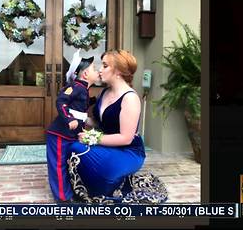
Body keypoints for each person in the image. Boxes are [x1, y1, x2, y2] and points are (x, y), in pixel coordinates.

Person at [68, 49, 167, 203]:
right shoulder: (105, 93)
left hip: (128, 151)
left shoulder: (130, 98)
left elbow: (125, 138)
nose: (100, 70)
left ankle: (112, 183)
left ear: (119, 71)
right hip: (107, 145)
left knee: (80, 150)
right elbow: (99, 124)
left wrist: (91, 138)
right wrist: (79, 117)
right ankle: (102, 183)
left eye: (105, 66)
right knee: (73, 147)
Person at [46, 50, 100, 202]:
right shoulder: (75, 87)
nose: (98, 71)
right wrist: (69, 119)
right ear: (84, 75)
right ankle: (63, 198)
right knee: (58, 165)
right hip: (59, 134)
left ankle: (72, 189)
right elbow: (61, 101)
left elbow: (80, 105)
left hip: (71, 135)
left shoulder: (83, 89)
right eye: (94, 69)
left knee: (69, 163)